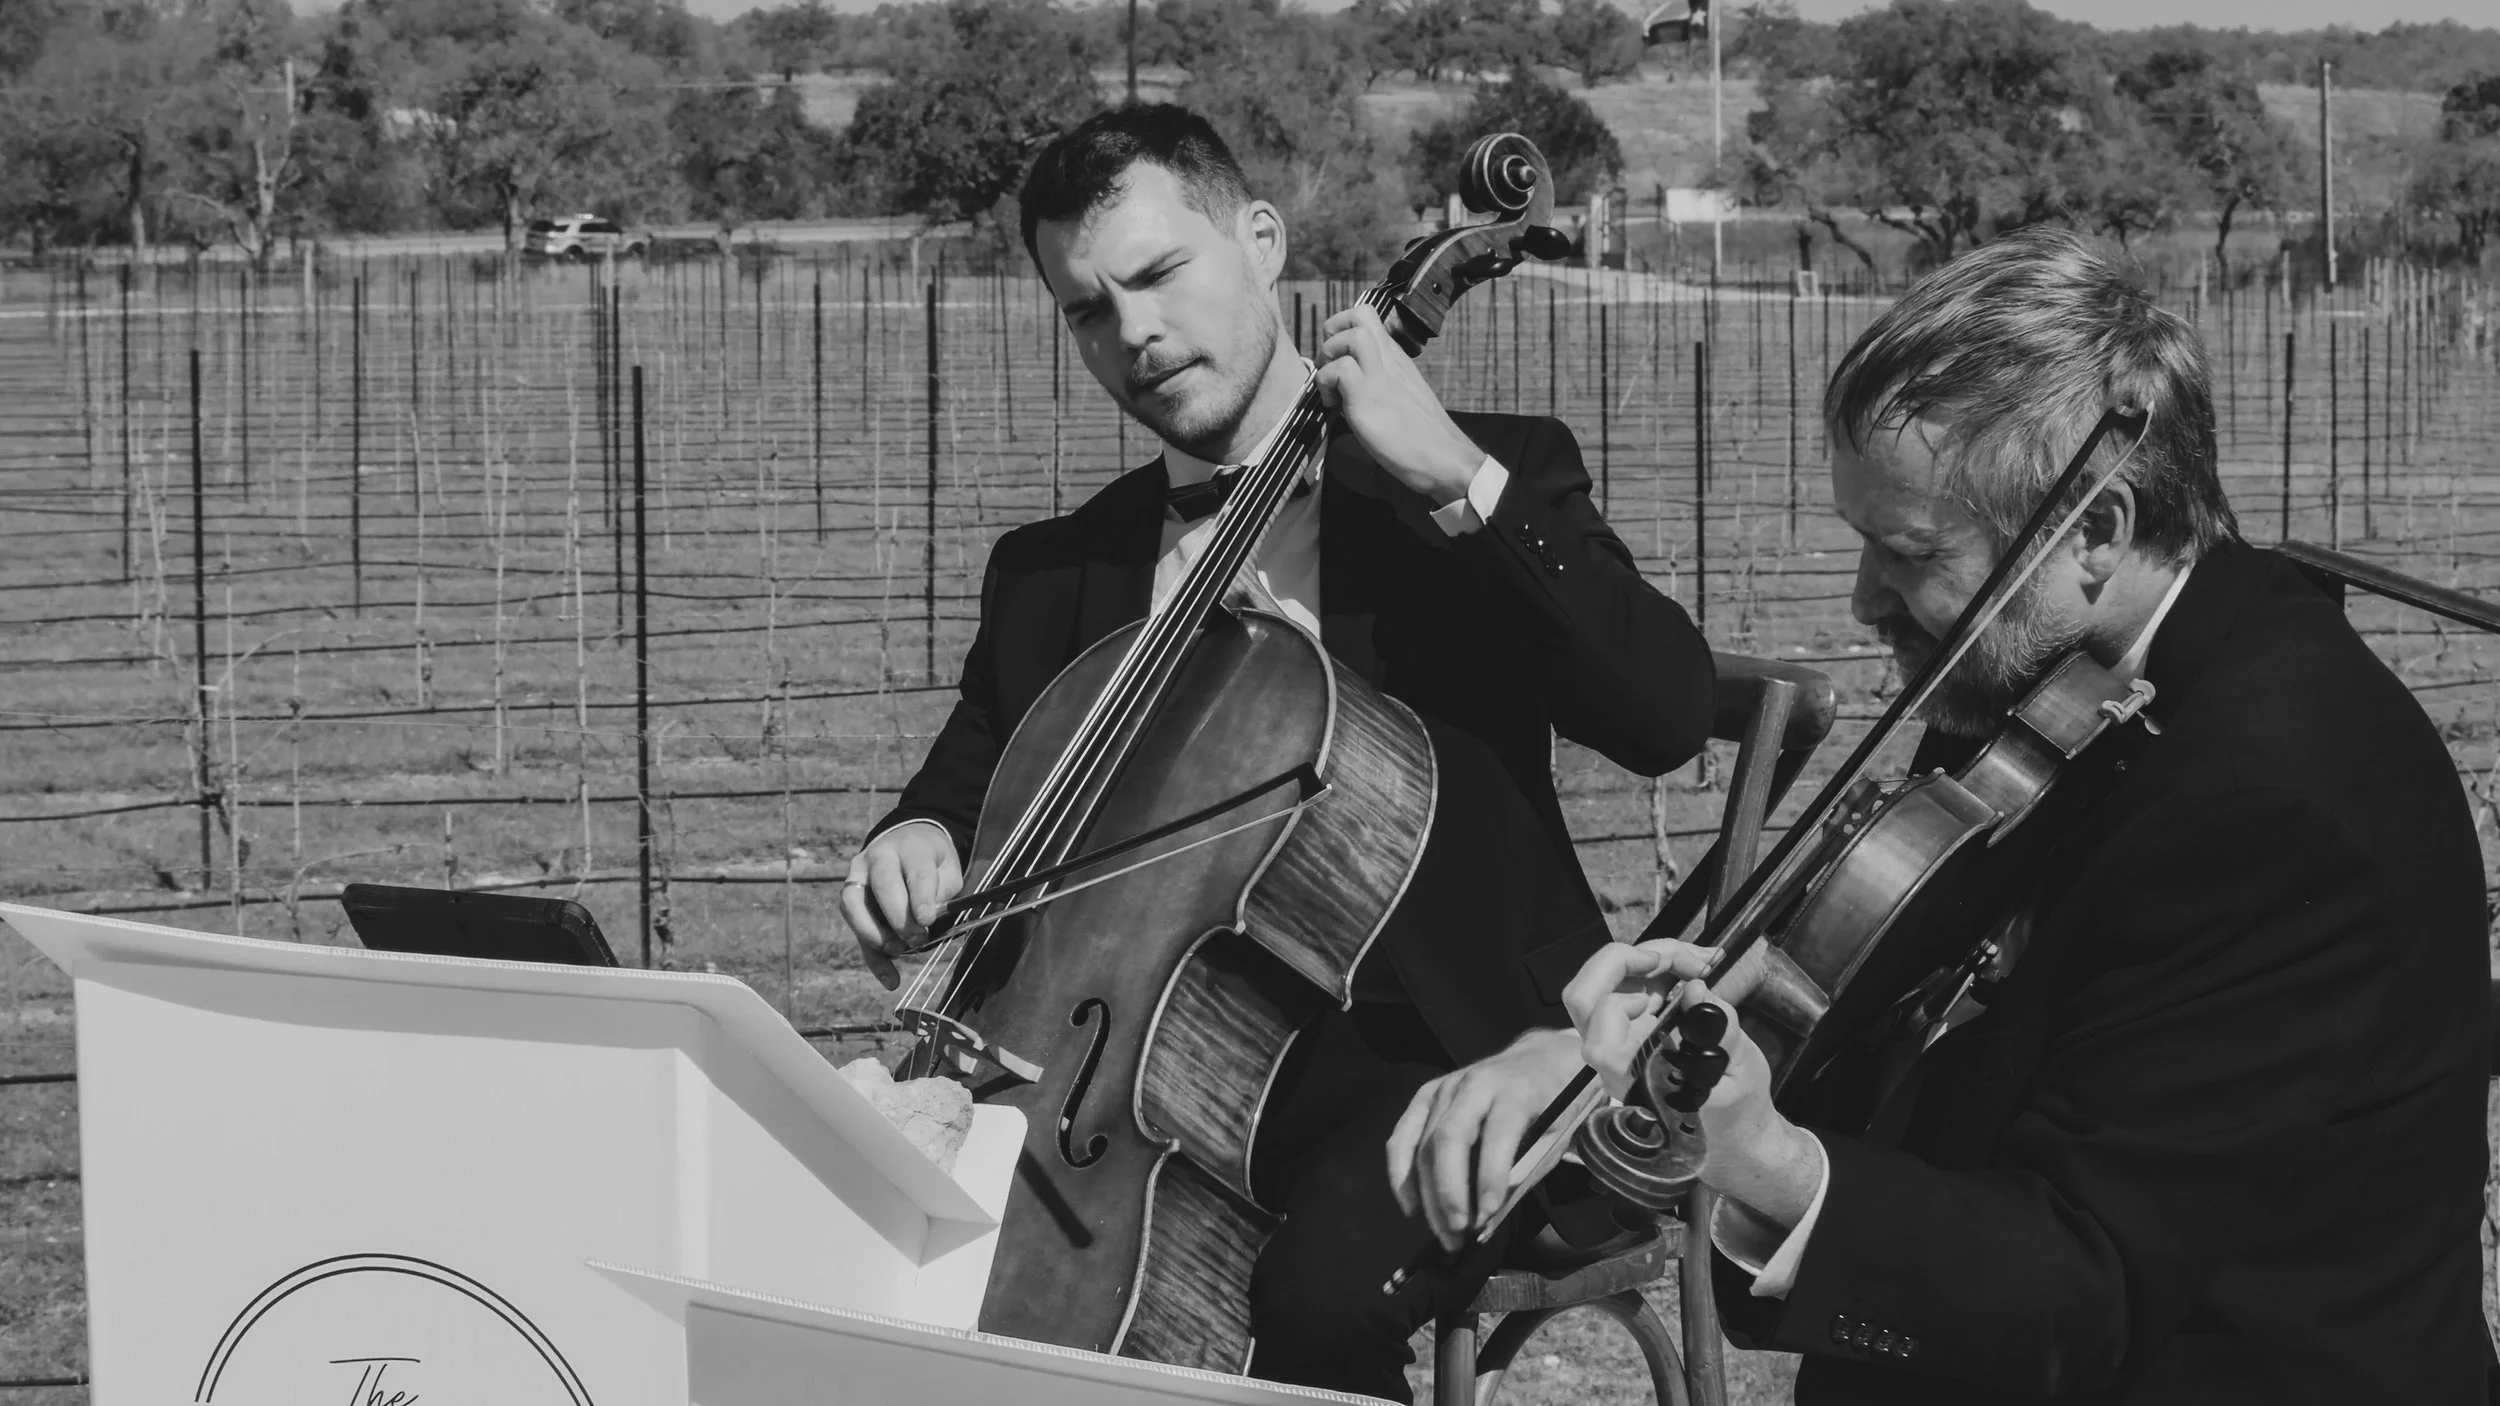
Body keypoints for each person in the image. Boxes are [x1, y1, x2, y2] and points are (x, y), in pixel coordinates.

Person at [835, 104, 1716, 1400]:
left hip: (1458, 1049)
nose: (1134, 332)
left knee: (1298, 1299)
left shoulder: (1484, 473)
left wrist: (1453, 478)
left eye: (1157, 273)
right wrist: (910, 839)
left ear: (1259, 241)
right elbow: (963, 785)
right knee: (900, 1261)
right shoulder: (1050, 571)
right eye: (1087, 310)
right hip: (1136, 1074)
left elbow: (1666, 713)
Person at [1563, 227, 2494, 1403]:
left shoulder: (2267, 801)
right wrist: (1642, 1055)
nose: (1861, 598)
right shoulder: (2039, 683)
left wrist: (1771, 1161)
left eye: (1906, 550)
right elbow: (1886, 1029)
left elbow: (2088, 1276)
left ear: (2096, 532)